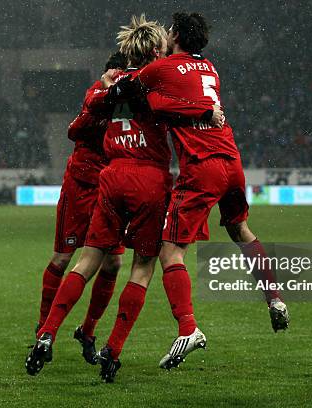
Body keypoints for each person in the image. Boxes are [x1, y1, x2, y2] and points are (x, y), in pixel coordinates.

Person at [26, 15, 221, 382]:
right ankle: (112, 353)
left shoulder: (111, 84)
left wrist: (103, 90)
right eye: (162, 49)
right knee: (143, 268)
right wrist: (206, 111)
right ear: (153, 51)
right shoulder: (152, 85)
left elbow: (90, 110)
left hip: (111, 177)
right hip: (147, 178)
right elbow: (170, 109)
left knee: (88, 262)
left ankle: (46, 334)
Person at [113, 12, 290, 370]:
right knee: (240, 230)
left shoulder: (160, 69)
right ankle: (275, 298)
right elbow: (187, 103)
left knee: (169, 250)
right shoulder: (211, 70)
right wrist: (203, 110)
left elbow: (142, 97)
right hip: (231, 160)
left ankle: (188, 328)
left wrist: (116, 81)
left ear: (174, 35)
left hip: (202, 167)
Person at [32, 51, 128, 365]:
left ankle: (87, 331)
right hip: (81, 185)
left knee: (113, 264)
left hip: (110, 189)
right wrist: (102, 91)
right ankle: (44, 331)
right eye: (113, 72)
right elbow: (74, 130)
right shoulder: (96, 94)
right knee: (63, 257)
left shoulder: (132, 97)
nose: (118, 76)